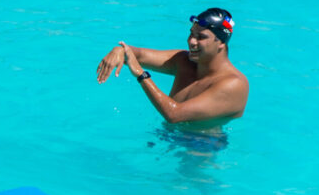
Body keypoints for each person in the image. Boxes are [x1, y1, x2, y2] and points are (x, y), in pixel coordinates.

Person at [96, 7, 249, 126]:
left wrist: (141, 75)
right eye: (191, 34)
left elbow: (174, 115)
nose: (191, 41)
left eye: (201, 37)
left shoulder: (234, 84)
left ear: (221, 43)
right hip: (166, 137)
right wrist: (120, 50)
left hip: (202, 146)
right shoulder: (184, 60)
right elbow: (138, 54)